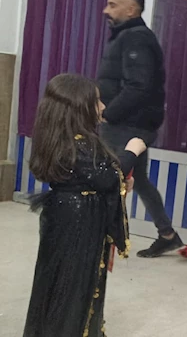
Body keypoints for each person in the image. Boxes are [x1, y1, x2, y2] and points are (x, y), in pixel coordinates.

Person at [24, 74, 146, 336]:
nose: (103, 107)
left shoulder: (56, 137)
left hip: (62, 214)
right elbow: (107, 176)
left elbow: (95, 178)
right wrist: (132, 152)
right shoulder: (82, 144)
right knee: (76, 283)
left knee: (56, 279)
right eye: (97, 101)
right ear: (79, 107)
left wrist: (118, 183)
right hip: (80, 221)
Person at [96, 0, 180, 257]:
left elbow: (138, 86)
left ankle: (101, 238)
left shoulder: (136, 38)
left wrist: (108, 113)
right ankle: (167, 234)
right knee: (139, 180)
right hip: (131, 122)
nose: (106, 10)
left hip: (126, 124)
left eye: (113, 5)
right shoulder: (128, 36)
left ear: (131, 10)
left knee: (111, 177)